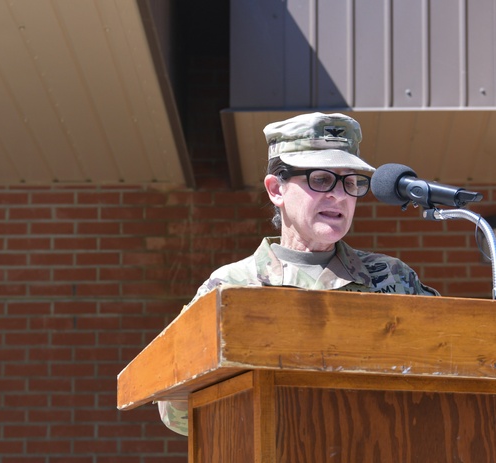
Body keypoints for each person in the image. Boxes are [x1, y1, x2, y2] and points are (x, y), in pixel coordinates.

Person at [158, 111, 439, 435]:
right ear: (276, 189)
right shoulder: (230, 288)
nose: (339, 195)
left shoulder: (393, 277)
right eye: (321, 179)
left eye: (350, 182)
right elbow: (178, 413)